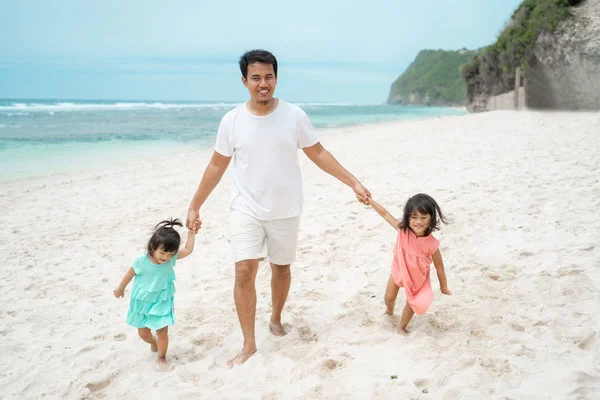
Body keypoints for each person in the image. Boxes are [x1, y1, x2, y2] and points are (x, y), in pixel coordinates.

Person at [186, 49, 371, 367]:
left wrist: (353, 182)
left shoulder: (294, 116)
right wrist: (195, 205)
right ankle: (249, 344)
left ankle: (275, 316)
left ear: (276, 78)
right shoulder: (232, 121)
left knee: (281, 268)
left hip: (286, 208)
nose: (263, 84)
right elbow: (217, 166)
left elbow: (319, 153)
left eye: (268, 77)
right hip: (245, 207)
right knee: (244, 270)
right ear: (244, 81)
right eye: (255, 78)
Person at [114, 218, 200, 369]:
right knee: (143, 333)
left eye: (170, 254)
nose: (166, 257)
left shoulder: (170, 259)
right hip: (142, 302)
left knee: (162, 332)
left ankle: (161, 357)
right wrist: (121, 288)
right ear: (152, 246)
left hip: (161, 301)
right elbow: (129, 275)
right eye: (163, 253)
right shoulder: (141, 262)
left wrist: (191, 233)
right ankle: (152, 343)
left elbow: (188, 250)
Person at [369, 194, 452, 334]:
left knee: (412, 303)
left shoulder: (432, 244)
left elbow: (439, 268)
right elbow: (385, 214)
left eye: (423, 217)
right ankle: (389, 311)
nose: (418, 221)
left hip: (417, 278)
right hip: (399, 270)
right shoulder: (403, 230)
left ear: (431, 218)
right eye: (414, 217)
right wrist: (369, 200)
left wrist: (444, 287)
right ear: (407, 217)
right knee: (389, 298)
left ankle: (401, 327)